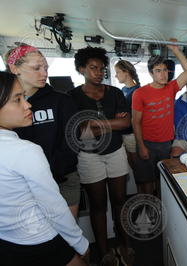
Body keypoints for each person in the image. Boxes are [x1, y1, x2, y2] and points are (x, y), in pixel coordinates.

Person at [0, 71, 88, 266]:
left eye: (24, 96)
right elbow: (54, 208)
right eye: (17, 99)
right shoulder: (26, 151)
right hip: (40, 240)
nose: (27, 104)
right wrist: (81, 245)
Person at [70, 47, 133, 266]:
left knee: (119, 200)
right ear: (82, 69)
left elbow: (126, 123)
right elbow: (80, 130)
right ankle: (105, 251)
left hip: (115, 152)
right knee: (98, 205)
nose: (98, 72)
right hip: (89, 157)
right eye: (93, 68)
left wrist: (95, 125)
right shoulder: (73, 96)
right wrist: (111, 124)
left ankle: (124, 243)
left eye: (101, 68)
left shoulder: (115, 93)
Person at [5, 44, 80, 218]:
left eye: (46, 68)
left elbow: (73, 140)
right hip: (21, 184)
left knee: (68, 236)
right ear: (15, 68)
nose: (44, 73)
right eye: (36, 68)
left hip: (62, 178)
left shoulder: (62, 101)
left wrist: (49, 171)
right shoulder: (5, 106)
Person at [132, 39, 187, 195]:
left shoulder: (171, 88)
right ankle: (149, 211)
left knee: (163, 180)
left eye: (165, 70)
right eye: (158, 70)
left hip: (166, 143)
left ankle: (161, 210)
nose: (163, 74)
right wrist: (141, 146)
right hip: (147, 143)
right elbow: (136, 122)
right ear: (151, 73)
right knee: (147, 182)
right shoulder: (140, 93)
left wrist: (175, 49)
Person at [115, 59, 141, 170]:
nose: (116, 76)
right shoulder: (123, 90)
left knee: (137, 166)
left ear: (126, 72)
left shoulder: (137, 91)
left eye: (117, 72)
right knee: (129, 165)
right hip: (123, 133)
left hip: (132, 134)